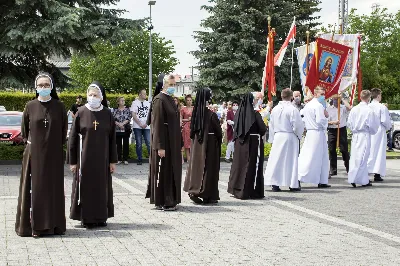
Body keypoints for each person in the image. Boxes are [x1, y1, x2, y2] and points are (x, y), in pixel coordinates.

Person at [16, 72, 68, 237]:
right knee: (36, 190)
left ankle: (55, 225)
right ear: (36, 87)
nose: (43, 88)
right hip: (34, 155)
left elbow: (63, 131)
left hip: (53, 155)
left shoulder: (59, 106)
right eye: (41, 85)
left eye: (47, 85)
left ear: (51, 87)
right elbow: (25, 131)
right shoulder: (30, 106)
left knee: (53, 189)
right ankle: (36, 227)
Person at [69, 82, 117, 228]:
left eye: (95, 95)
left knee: (102, 188)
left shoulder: (107, 113)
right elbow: (73, 138)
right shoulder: (81, 112)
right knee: (86, 187)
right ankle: (86, 217)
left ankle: (101, 216)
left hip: (103, 159)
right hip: (85, 159)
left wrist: (112, 161)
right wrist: (73, 162)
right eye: (90, 95)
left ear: (101, 97)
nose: (92, 97)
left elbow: (112, 138)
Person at [146, 74, 182, 211]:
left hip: (172, 141)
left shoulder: (170, 99)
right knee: (165, 171)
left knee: (172, 170)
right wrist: (160, 146)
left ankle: (172, 198)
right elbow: (157, 124)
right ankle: (164, 200)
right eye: (170, 85)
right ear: (164, 84)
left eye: (174, 85)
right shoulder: (159, 100)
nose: (173, 87)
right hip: (164, 142)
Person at [184, 88, 222, 204]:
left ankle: (194, 190)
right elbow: (218, 132)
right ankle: (207, 194)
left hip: (196, 144)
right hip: (209, 144)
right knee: (208, 168)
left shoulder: (195, 114)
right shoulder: (211, 115)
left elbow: (192, 131)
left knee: (196, 167)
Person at [227, 93, 268, 199]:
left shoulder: (238, 114)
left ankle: (237, 189)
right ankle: (251, 191)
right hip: (253, 143)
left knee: (239, 166)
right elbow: (262, 129)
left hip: (240, 145)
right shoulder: (255, 114)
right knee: (251, 166)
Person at [264, 89, 304, 192]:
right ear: (291, 97)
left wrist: (272, 138)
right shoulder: (293, 109)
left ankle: (275, 183)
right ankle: (292, 184)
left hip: (278, 136)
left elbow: (271, 125)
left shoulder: (275, 109)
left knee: (277, 160)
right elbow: (297, 125)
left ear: (281, 96)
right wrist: (299, 135)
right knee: (291, 161)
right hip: (290, 137)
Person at [298, 86, 331, 188]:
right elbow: (320, 121)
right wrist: (326, 117)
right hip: (317, 132)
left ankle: (322, 180)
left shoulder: (308, 105)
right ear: (315, 94)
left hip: (312, 132)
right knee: (312, 156)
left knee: (322, 157)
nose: (323, 96)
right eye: (321, 94)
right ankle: (299, 176)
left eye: (324, 94)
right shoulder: (318, 106)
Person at [348, 90, 379, 187]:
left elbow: (349, 123)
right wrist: (372, 131)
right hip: (364, 135)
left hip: (355, 135)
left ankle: (363, 179)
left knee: (355, 157)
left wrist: (354, 129)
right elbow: (373, 125)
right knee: (363, 157)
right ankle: (356, 178)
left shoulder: (354, 109)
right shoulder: (369, 110)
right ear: (369, 98)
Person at [367, 88, 392, 181]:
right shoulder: (382, 107)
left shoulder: (368, 106)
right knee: (379, 152)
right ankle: (377, 174)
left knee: (369, 151)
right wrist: (388, 127)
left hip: (369, 130)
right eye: (380, 95)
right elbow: (385, 121)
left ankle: (366, 172)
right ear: (378, 96)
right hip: (379, 130)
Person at [326, 95, 351, 176]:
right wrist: (333, 122)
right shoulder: (328, 109)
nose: (336, 101)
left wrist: (343, 98)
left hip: (341, 129)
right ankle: (333, 169)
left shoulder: (343, 108)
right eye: (334, 99)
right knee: (332, 150)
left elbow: (349, 108)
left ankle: (348, 168)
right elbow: (326, 121)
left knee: (344, 150)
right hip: (332, 130)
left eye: (337, 99)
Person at [131, 89, 151, 165]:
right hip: (137, 126)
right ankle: (139, 159)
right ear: (139, 94)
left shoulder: (148, 103)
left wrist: (146, 123)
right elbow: (133, 114)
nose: (145, 95)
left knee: (148, 142)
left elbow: (150, 114)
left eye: (146, 94)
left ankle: (151, 158)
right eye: (144, 94)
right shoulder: (135, 103)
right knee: (139, 143)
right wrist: (139, 123)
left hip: (146, 126)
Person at [113, 97, 132, 165]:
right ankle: (119, 159)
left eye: (124, 100)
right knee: (118, 144)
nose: (123, 101)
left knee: (126, 144)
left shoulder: (127, 109)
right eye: (122, 100)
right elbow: (113, 119)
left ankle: (125, 159)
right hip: (117, 129)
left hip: (125, 129)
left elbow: (129, 118)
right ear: (118, 102)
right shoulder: (114, 110)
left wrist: (122, 124)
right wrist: (118, 124)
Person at [181, 95, 194, 162]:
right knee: (186, 143)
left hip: (193, 127)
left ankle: (192, 158)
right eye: (188, 100)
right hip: (186, 127)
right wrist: (187, 120)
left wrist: (192, 119)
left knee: (192, 143)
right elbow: (180, 119)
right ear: (186, 101)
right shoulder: (183, 109)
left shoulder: (194, 108)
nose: (189, 102)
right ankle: (188, 158)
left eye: (190, 100)